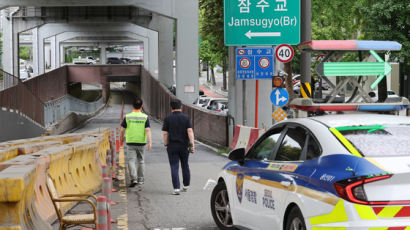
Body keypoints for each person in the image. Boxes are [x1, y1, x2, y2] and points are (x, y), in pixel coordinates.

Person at [162, 99, 195, 195]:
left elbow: (165, 133)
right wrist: (191, 144)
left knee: (174, 166)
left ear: (171, 108)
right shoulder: (186, 118)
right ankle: (186, 185)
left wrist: (166, 144)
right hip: (184, 146)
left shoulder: (167, 118)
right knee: (185, 165)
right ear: (181, 107)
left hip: (172, 146)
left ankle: (176, 188)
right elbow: (189, 131)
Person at [121, 97, 152, 187]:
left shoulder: (127, 116)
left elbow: (122, 129)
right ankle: (141, 179)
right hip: (142, 142)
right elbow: (147, 130)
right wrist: (150, 141)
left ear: (132, 106)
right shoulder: (145, 117)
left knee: (131, 161)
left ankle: (133, 178)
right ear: (142, 106)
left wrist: (122, 136)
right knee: (141, 161)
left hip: (130, 141)